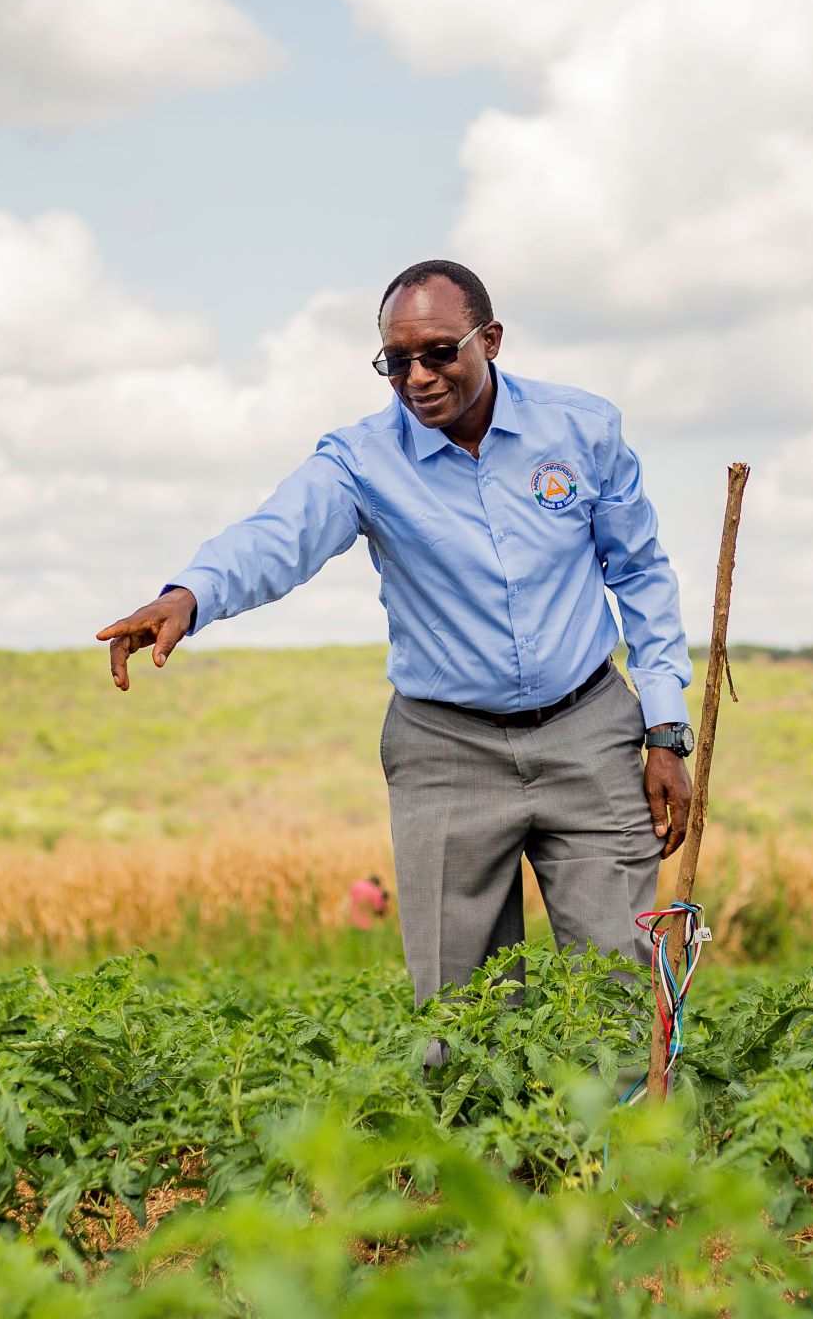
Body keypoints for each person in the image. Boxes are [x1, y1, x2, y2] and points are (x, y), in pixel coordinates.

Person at [96, 258, 695, 1020]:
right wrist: (190, 594)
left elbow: (640, 574)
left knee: (619, 981)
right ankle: (479, 1142)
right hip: (446, 752)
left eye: (439, 352)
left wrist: (665, 731)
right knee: (461, 1012)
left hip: (588, 734)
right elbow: (280, 533)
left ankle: (631, 1139)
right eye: (396, 362)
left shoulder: (582, 429)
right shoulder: (362, 461)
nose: (418, 377)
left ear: (493, 339)